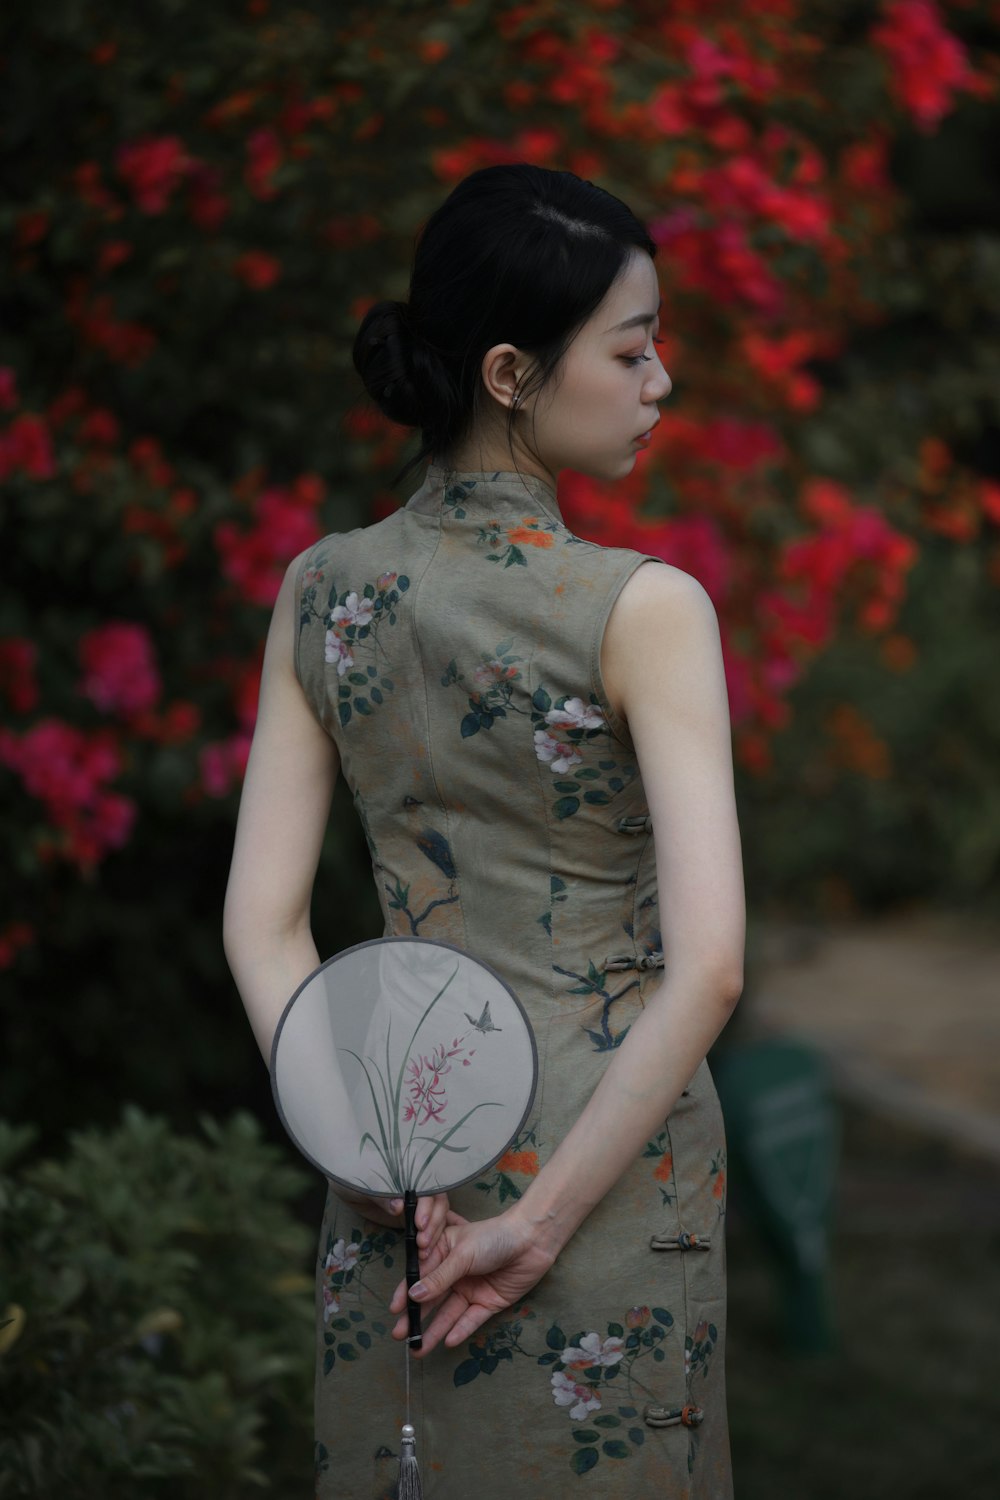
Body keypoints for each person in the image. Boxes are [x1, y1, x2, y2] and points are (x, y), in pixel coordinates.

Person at [224, 163, 745, 1499]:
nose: (659, 382)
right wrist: (540, 1225)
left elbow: (262, 924)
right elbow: (714, 967)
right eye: (632, 352)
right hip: (607, 1174)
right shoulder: (644, 608)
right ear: (510, 372)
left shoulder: (323, 589)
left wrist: (361, 1146)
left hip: (395, 1165)